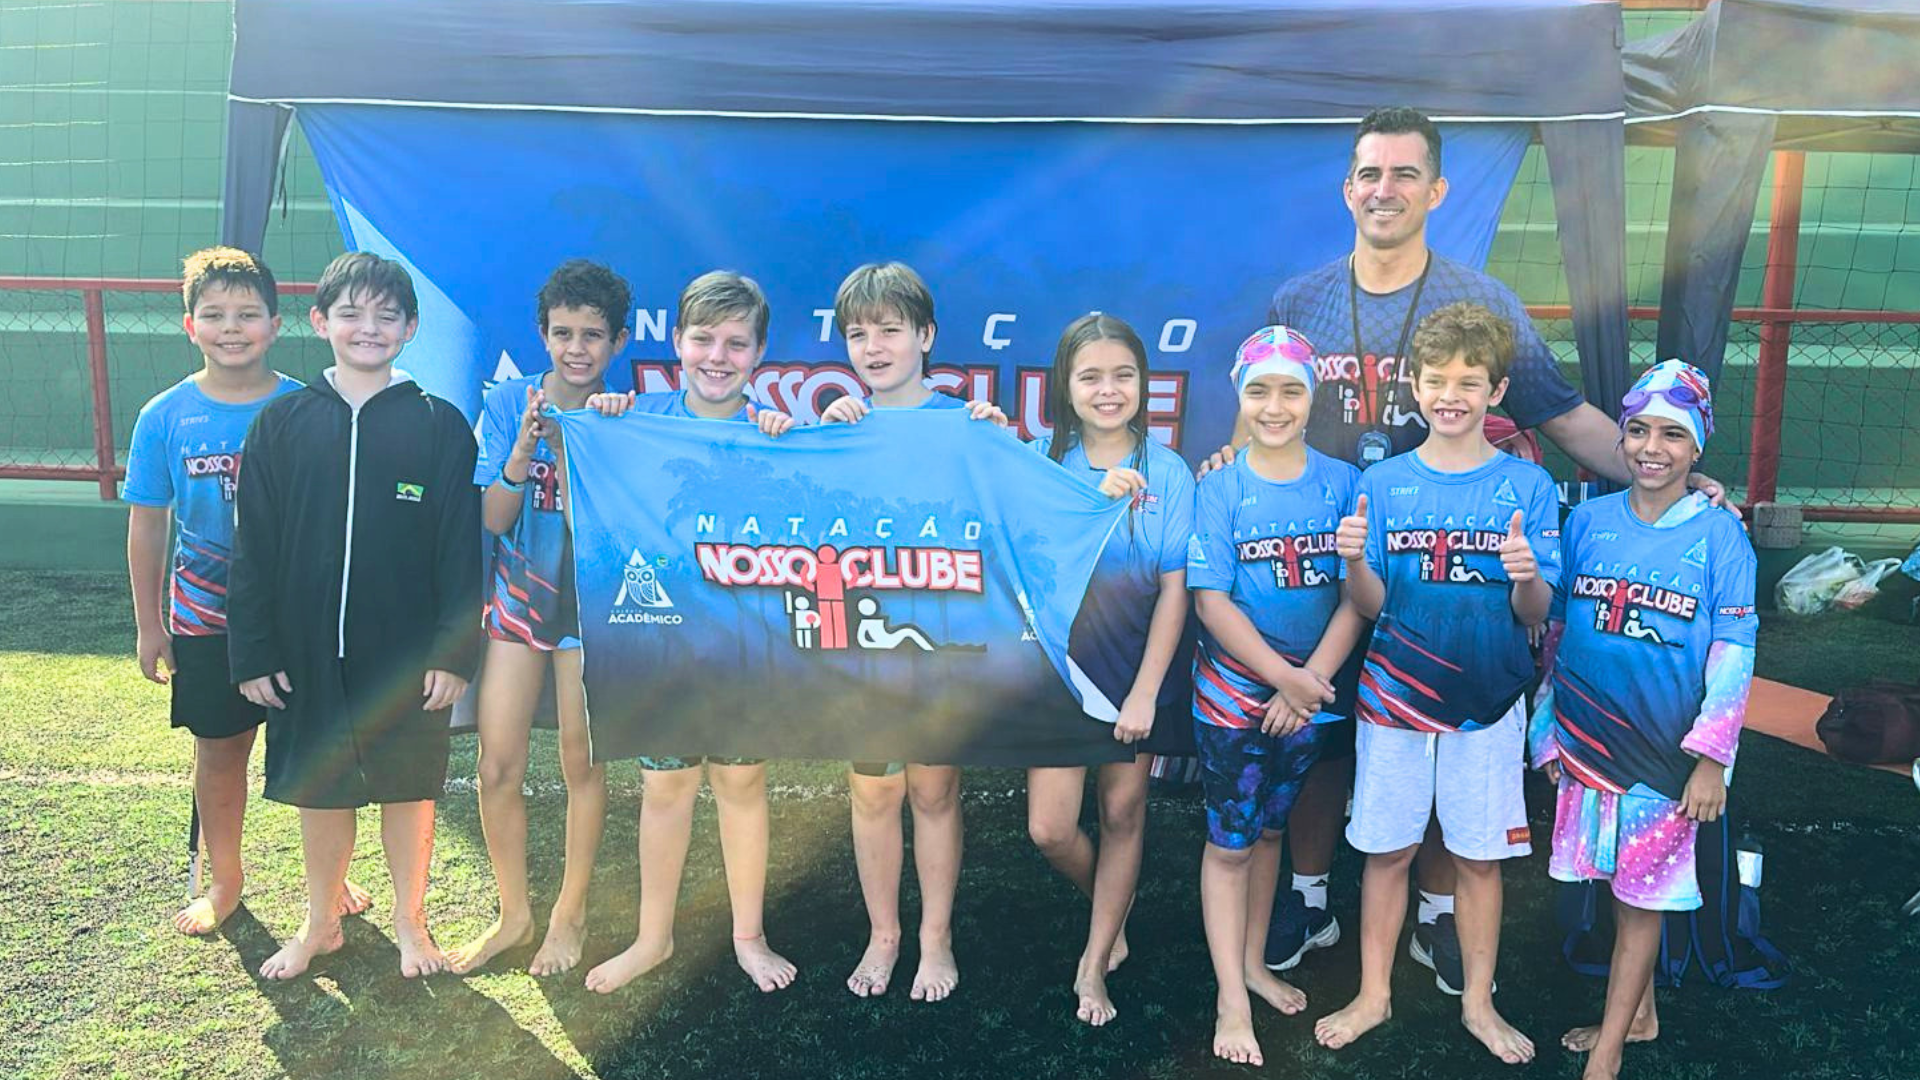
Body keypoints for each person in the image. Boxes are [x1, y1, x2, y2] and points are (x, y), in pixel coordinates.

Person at [1251, 105, 1727, 990]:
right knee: (1325, 735)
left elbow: (1565, 414)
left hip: (1453, 570)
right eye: (1369, 173)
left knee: (1450, 722)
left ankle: (1437, 910)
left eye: (1404, 174)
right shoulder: (1300, 301)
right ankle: (1310, 899)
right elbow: (1267, 415)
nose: (1384, 190)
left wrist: (1666, 472)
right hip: (1337, 555)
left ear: (1436, 190)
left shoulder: (1483, 303)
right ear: (1347, 188)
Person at [1313, 302, 1558, 1064]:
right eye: (1438, 380)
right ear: (1415, 387)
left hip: (1488, 702)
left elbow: (1535, 613)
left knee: (1479, 859)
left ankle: (1479, 1003)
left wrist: (1525, 576)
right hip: (1393, 699)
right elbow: (1369, 605)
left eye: (1469, 382)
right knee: (1387, 851)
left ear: (1496, 391)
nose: (1452, 395)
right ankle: (1373, 994)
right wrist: (1354, 561)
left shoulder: (1527, 484)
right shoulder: (1383, 483)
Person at [227, 251, 482, 980]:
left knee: (409, 787)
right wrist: (255, 650)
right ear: (320, 321)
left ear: (410, 328)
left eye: (386, 315)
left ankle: (411, 923)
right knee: (323, 788)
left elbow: (460, 552)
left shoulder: (438, 425)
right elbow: (254, 547)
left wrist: (452, 652)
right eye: (351, 313)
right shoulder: (283, 422)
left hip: (405, 658)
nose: (368, 327)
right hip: (306, 653)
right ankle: (321, 922)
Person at [125, 246, 372, 934]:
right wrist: (149, 625)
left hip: (299, 622)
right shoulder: (164, 416)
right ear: (190, 326)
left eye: (247, 314)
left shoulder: (309, 407)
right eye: (214, 315)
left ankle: (329, 879)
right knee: (220, 750)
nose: (231, 328)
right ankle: (226, 880)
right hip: (206, 622)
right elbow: (148, 525)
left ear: (275, 323)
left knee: (316, 755)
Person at [1529, 360, 1755, 1080]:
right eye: (1639, 431)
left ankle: (1609, 1049)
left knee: (1640, 902)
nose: (1652, 448)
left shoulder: (1721, 537)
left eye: (1673, 435)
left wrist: (1712, 758)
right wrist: (1547, 729)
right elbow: (1559, 634)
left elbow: (1734, 651)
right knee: (1612, 883)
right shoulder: (1587, 522)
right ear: (1621, 437)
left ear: (1698, 447)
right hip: (1588, 744)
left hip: (1664, 756)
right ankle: (1642, 1015)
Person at [577, 270, 799, 996]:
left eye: (736, 343)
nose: (717, 356)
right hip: (660, 646)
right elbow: (589, 488)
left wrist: (788, 443)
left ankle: (748, 935)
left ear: (759, 353)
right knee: (665, 787)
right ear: (676, 341)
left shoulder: (772, 435)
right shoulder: (636, 420)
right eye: (703, 339)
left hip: (744, 651)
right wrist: (607, 420)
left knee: (741, 782)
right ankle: (653, 938)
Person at [815, 261, 1004, 1004]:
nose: (874, 347)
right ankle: (884, 934)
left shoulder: (968, 424)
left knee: (932, 791)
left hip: (938, 644)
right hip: (862, 647)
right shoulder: (838, 429)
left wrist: (1000, 444)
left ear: (926, 335)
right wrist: (818, 442)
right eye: (858, 334)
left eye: (890, 330)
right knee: (871, 794)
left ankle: (936, 937)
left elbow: (1015, 515)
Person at [1188, 326, 1367, 1066]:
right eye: (1259, 390)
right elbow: (1211, 601)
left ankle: (1255, 963)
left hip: (1309, 697)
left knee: (1269, 833)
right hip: (1235, 699)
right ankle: (1231, 999)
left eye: (1291, 390)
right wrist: (1282, 678)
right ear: (1239, 395)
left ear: (1312, 397)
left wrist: (1308, 682)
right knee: (1231, 844)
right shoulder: (1219, 487)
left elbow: (1355, 599)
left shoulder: (1343, 483)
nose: (1275, 405)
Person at [449, 260, 632, 975]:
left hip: (589, 613)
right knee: (496, 765)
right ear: (543, 334)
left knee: (582, 763)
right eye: (563, 333)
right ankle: (513, 914)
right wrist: (524, 450)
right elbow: (494, 519)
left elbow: (618, 529)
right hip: (519, 607)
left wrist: (580, 449)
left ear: (617, 342)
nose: (576, 349)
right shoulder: (507, 402)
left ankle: (569, 914)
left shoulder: (623, 415)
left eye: (592, 335)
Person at [1024, 313, 1195, 1026]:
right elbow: (1023, 562)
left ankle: (1093, 962)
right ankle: (1111, 906)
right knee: (1050, 830)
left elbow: (1175, 591)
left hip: (1137, 671)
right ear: (1065, 386)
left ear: (1145, 383)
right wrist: (1088, 508)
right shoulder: (1039, 461)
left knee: (1122, 813)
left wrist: (1147, 692)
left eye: (1123, 375)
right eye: (1090, 376)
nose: (1108, 389)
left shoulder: (1171, 471)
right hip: (1062, 674)